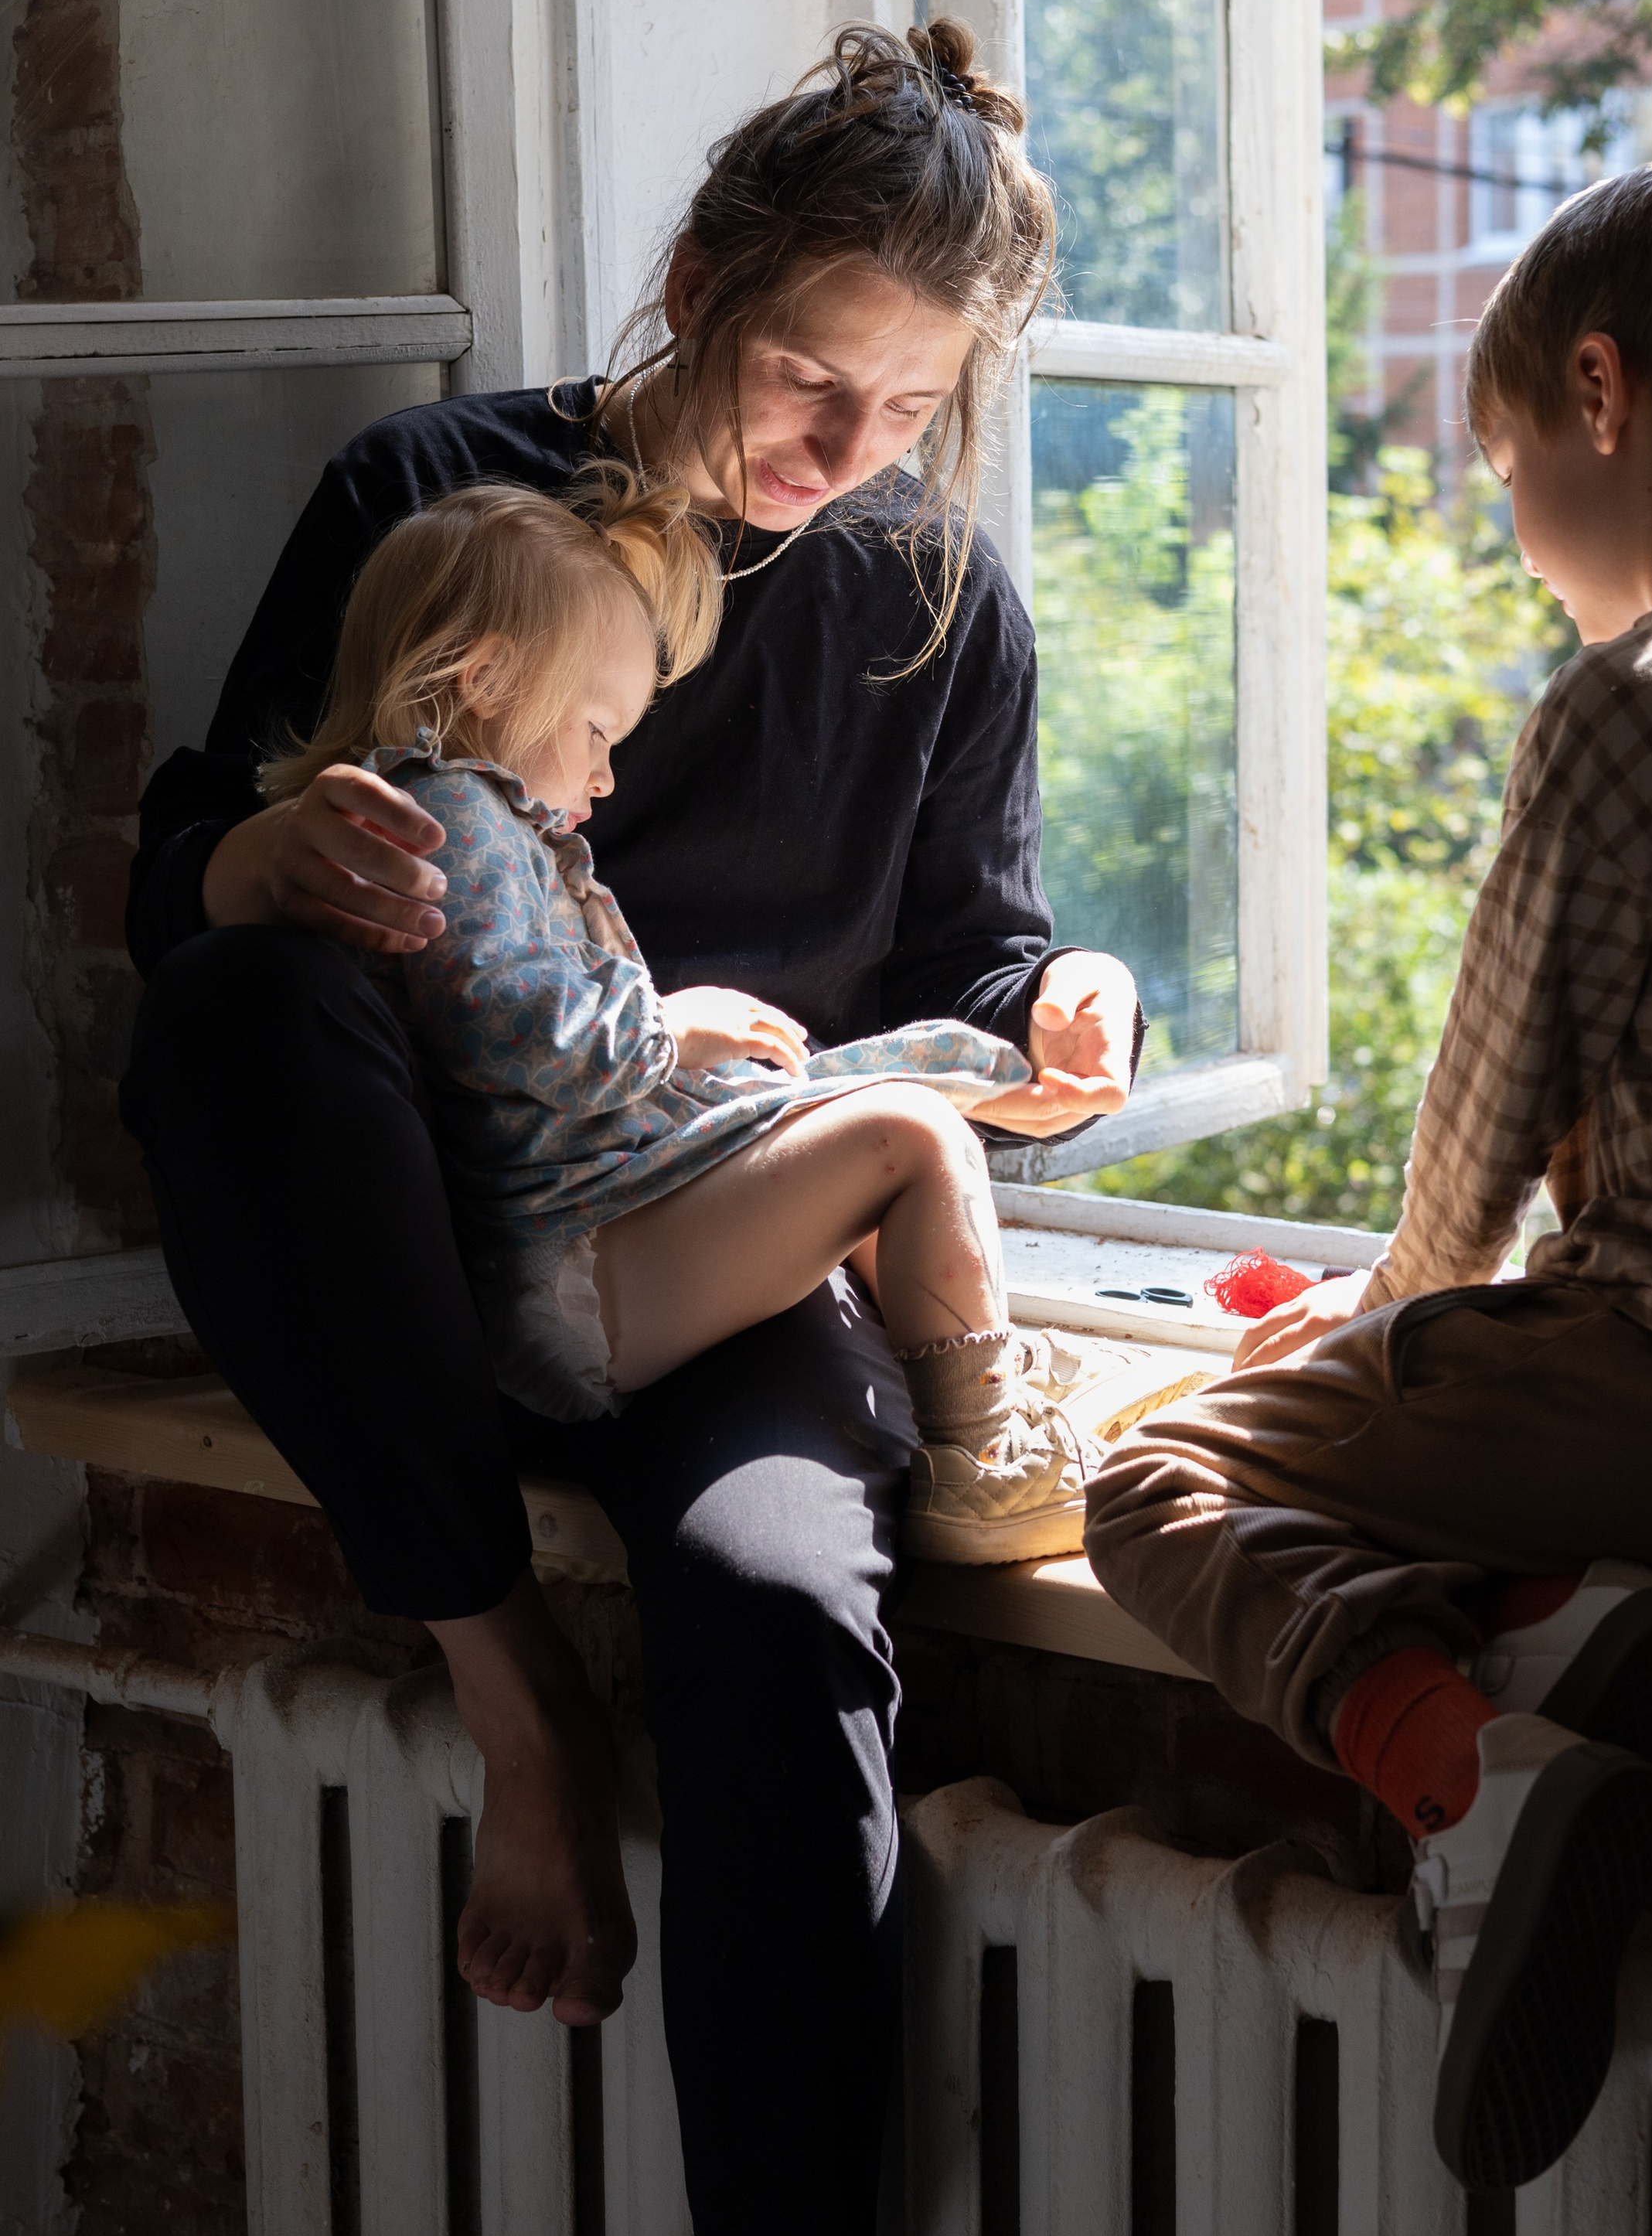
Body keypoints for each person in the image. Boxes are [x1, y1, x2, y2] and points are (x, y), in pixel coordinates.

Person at [121, 22, 1140, 2236]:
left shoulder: (928, 600)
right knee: (235, 1013)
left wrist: (1061, 997)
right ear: (693, 280)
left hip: (707, 1245)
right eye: (809, 377)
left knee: (779, 1613)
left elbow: (972, 968)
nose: (843, 454)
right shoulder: (440, 496)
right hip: (401, 1225)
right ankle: (525, 1726)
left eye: (908, 407)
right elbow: (191, 864)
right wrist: (241, 858)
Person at [1085, 162, 1652, 2196]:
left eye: (1504, 468)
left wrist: (1391, 1315)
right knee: (1425, 1439)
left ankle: (1467, 1770)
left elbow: (1480, 1137)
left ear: (1595, 388)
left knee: (1151, 1479)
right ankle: (1568, 1622)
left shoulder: (1641, 697)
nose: (1511, 526)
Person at [261, 466, 1100, 1537]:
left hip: (601, 1235)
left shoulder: (485, 828)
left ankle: (971, 1371)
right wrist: (671, 1024)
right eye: (599, 731)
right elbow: (509, 1027)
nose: (606, 778)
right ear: (486, 678)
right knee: (911, 1139)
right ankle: (986, 1460)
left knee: (878, 1120)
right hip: (579, 1265)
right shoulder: (453, 820)